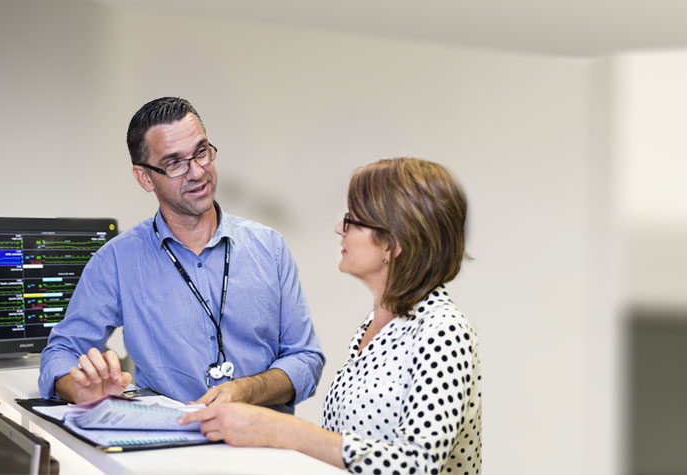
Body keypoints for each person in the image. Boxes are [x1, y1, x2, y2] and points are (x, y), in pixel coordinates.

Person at [181, 157, 482, 474]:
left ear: (393, 244)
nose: (340, 229)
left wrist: (282, 430)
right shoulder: (377, 325)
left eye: (353, 221)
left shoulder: (444, 330)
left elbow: (417, 465)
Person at [38, 97, 324, 413]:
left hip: (264, 447)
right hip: (166, 449)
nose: (197, 172)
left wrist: (246, 390)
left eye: (201, 152)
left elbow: (306, 360)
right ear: (145, 177)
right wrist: (82, 390)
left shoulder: (270, 247)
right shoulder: (117, 261)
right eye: (175, 163)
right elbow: (61, 352)